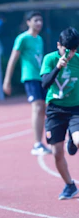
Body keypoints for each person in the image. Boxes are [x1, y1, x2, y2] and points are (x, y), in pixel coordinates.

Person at [3, 10, 51, 155]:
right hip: (30, 77)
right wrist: (7, 80)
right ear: (28, 22)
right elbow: (13, 59)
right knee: (37, 107)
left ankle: (42, 141)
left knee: (44, 108)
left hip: (41, 77)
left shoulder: (39, 39)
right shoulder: (22, 38)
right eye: (36, 20)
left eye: (40, 20)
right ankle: (37, 144)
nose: (39, 23)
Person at [40, 27, 79, 200]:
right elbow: (45, 84)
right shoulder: (50, 59)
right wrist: (57, 67)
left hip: (75, 109)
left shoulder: (78, 60)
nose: (69, 54)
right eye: (66, 50)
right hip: (55, 109)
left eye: (73, 50)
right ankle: (70, 185)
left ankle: (73, 138)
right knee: (57, 152)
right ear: (58, 45)